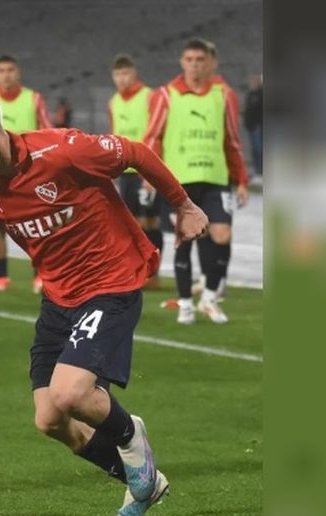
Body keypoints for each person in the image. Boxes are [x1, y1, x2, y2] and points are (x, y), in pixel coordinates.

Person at [0, 83, 208, 516]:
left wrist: (183, 205)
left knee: (71, 393)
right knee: (49, 419)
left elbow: (133, 153)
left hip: (111, 281)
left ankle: (132, 439)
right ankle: (143, 481)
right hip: (59, 298)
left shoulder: (63, 151)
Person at [144, 38, 249, 324]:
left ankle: (210, 299)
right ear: (182, 62)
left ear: (209, 63)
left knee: (221, 234)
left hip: (215, 179)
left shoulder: (224, 95)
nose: (194, 65)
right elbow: (153, 137)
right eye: (189, 60)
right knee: (184, 241)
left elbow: (232, 141)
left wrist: (240, 179)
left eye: (200, 60)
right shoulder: (165, 95)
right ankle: (186, 303)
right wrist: (149, 176)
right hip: (180, 182)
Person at [0, 55, 52, 293]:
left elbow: (47, 132)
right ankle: (1, 276)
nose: (6, 74)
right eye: (1, 70)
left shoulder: (33, 99)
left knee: (38, 226)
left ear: (18, 73)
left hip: (29, 173)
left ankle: (41, 276)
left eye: (10, 70)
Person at [108, 54, 163, 289]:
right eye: (118, 75)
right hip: (126, 171)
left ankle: (155, 273)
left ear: (134, 73)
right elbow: (114, 135)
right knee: (130, 223)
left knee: (150, 221)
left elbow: (158, 133)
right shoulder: (113, 102)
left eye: (126, 73)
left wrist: (153, 171)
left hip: (147, 169)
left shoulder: (149, 97)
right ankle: (138, 271)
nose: (122, 79)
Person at [244, 74, 263, 180]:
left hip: (258, 125)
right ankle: (256, 168)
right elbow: (248, 109)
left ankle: (261, 168)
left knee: (259, 147)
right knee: (254, 148)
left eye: (255, 81)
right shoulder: (250, 94)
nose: (253, 84)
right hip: (251, 125)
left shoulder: (261, 94)